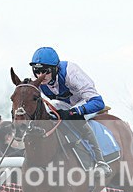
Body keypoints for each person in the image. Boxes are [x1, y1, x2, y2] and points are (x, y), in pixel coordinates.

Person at [28, 46, 111, 175]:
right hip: (64, 104)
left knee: (75, 118)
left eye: (45, 71)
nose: (41, 75)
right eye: (37, 71)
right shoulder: (38, 80)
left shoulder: (71, 73)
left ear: (56, 68)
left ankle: (101, 161)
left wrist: (74, 112)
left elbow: (98, 103)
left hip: (86, 101)